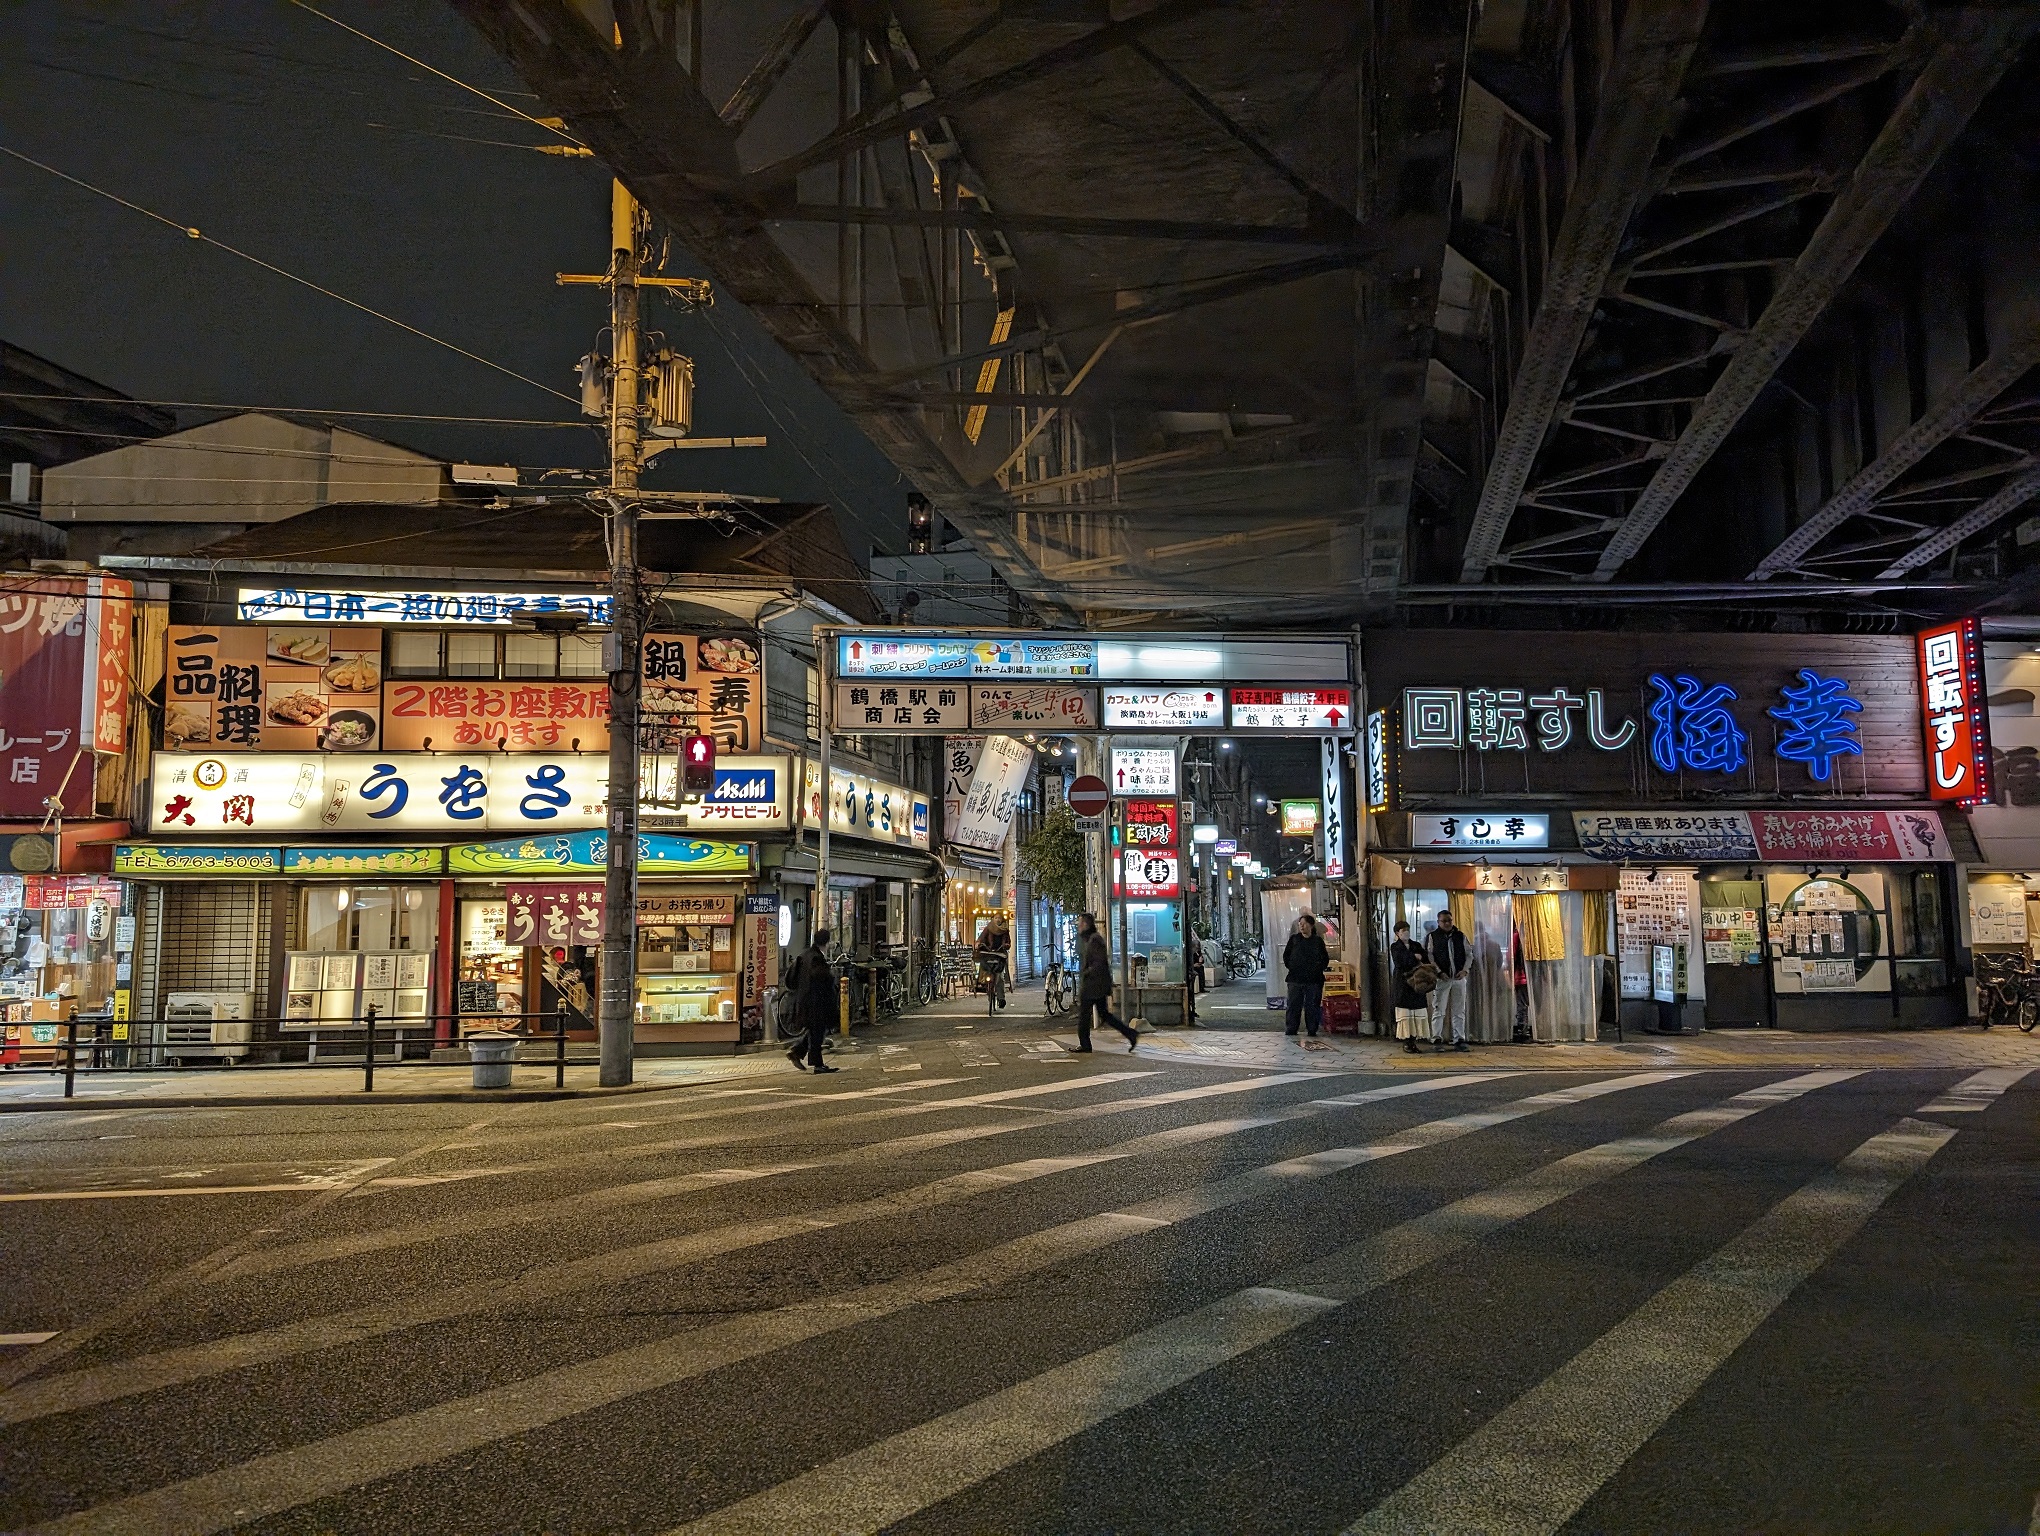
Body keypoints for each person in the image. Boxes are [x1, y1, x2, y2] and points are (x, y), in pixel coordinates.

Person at [1074, 912, 1138, 1052]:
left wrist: (1087, 973)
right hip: (1097, 984)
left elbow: (1099, 962)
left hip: (1094, 985)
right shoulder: (1090, 939)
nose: (1078, 926)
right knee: (1104, 1014)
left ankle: (1085, 1044)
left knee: (1084, 1015)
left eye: (1080, 923)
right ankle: (1130, 1034)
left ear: (1086, 924)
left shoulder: (1094, 939)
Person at [784, 928, 841, 1073]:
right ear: (826, 942)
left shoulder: (804, 955)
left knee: (815, 1030)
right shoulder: (816, 958)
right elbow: (820, 978)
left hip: (804, 1000)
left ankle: (797, 1052)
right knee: (817, 1032)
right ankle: (817, 1064)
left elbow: (791, 978)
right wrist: (831, 976)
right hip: (815, 1002)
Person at [1428, 907, 1472, 1052]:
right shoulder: (1433, 937)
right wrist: (1439, 972)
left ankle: (1459, 1039)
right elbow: (1430, 956)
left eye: (1449, 920)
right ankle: (1436, 1038)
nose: (1447, 923)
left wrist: (1465, 970)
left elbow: (1469, 954)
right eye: (1444, 921)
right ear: (1438, 922)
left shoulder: (1460, 936)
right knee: (1439, 1009)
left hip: (1459, 977)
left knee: (1459, 1010)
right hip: (1442, 978)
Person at [1282, 912, 1330, 1040]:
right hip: (1295, 979)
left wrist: (1317, 969)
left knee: (1312, 1005)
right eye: (1300, 924)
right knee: (1293, 1005)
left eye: (1304, 924)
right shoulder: (1294, 940)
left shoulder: (1317, 941)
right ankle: (1291, 1028)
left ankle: (1312, 1029)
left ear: (1311, 925)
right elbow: (1286, 956)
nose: (1302, 927)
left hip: (1314, 980)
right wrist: (1292, 967)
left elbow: (1325, 959)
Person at [1388, 920, 1433, 1053]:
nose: (1406, 933)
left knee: (1417, 1013)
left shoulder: (1416, 944)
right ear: (1397, 933)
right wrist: (1414, 957)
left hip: (1417, 984)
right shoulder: (1395, 946)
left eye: (1407, 930)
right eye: (1403, 931)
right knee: (1405, 1014)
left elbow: (1425, 958)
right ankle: (1406, 1042)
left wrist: (1415, 957)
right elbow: (1400, 961)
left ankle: (1414, 1040)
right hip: (1403, 984)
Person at [974, 917, 1011, 1009]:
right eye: (996, 918)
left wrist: (1006, 945)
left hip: (1000, 954)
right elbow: (981, 938)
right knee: (985, 972)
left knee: (1000, 977)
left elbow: (1008, 942)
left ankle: (1001, 998)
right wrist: (978, 944)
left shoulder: (1005, 930)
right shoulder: (988, 928)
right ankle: (987, 990)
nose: (997, 920)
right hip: (988, 953)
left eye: (999, 918)